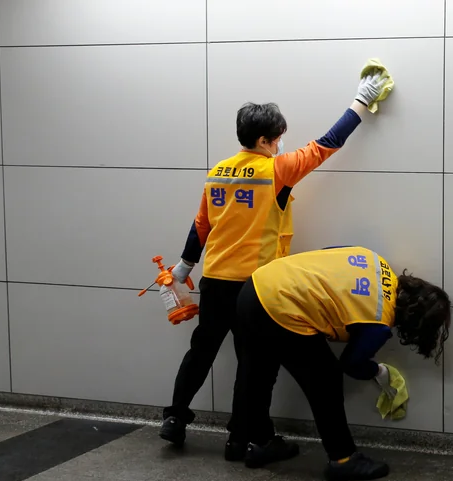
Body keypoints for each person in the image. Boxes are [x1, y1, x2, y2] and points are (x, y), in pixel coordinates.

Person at [159, 69, 393, 454]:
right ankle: (241, 438)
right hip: (253, 287)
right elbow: (327, 144)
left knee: (201, 350)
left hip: (214, 278)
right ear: (264, 140)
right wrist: (361, 102)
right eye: (278, 137)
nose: (282, 144)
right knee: (251, 364)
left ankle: (175, 418)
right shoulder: (276, 170)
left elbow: (202, 224)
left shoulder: (218, 173)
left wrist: (185, 265)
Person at [226, 246, 450, 480]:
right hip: (281, 306)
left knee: (256, 373)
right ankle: (343, 459)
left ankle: (249, 442)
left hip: (257, 286)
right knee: (326, 379)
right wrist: (378, 371)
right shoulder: (379, 321)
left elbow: (326, 257)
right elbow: (350, 364)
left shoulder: (375, 260)